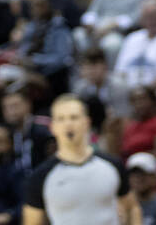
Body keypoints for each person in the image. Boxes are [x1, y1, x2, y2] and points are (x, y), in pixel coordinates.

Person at [23, 94, 141, 225]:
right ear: (53, 127)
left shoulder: (112, 165)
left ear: (86, 122)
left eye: (74, 117)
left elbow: (132, 208)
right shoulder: (40, 176)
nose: (68, 124)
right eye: (61, 119)